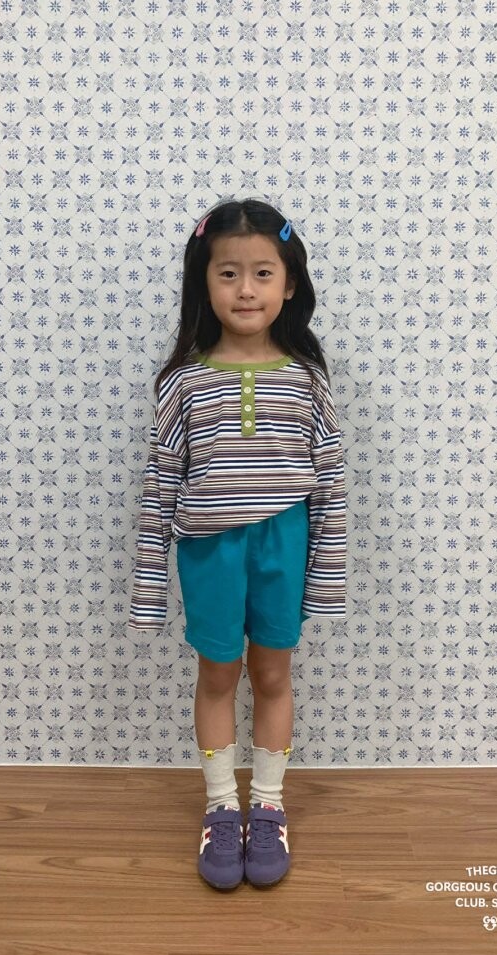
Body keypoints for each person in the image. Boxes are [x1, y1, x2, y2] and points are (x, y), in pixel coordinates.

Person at [127, 198, 346, 891]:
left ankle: (269, 806)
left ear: (289, 284)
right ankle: (223, 807)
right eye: (228, 273)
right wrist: (148, 589)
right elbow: (160, 486)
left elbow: (331, 483)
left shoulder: (307, 381)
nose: (245, 289)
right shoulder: (183, 383)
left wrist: (327, 578)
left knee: (274, 675)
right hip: (210, 555)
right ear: (204, 281)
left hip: (284, 546)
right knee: (219, 676)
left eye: (262, 273)